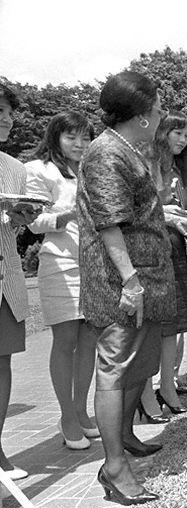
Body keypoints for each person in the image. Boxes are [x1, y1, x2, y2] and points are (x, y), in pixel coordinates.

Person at [77, 71, 170, 505]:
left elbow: (136, 214)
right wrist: (131, 282)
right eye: (157, 104)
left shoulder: (130, 149)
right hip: (119, 282)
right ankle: (114, 468)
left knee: (138, 363)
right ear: (143, 113)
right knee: (114, 369)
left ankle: (125, 437)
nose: (161, 110)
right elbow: (110, 226)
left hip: (142, 274)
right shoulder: (107, 154)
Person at [25, 111, 99, 450]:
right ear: (55, 137)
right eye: (72, 137)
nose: (79, 144)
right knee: (65, 340)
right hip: (59, 263)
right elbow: (32, 221)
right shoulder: (38, 170)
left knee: (88, 341)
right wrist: (68, 214)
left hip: (93, 263)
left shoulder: (90, 168)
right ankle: (66, 415)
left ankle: (82, 411)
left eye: (85, 138)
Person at [139, 111, 187, 420]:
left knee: (173, 323)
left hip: (175, 245)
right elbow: (142, 210)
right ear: (162, 131)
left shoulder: (178, 168)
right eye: (176, 132)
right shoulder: (145, 159)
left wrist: (181, 215)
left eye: (186, 135)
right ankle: (144, 394)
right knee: (151, 327)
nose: (182, 139)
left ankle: (167, 386)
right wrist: (175, 215)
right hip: (149, 249)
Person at [0, 83, 42, 482]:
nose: (6, 117)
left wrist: (20, 219)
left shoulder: (16, 168)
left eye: (9, 110)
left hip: (7, 278)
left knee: (3, 363)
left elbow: (13, 226)